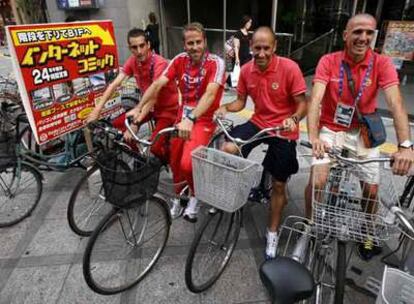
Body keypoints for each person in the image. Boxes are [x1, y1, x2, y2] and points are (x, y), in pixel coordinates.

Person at [304, 13, 414, 261]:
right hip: (331, 130)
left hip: (363, 132)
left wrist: (405, 146)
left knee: (372, 190)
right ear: (345, 35)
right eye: (357, 32)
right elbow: (315, 100)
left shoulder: (382, 63)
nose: (363, 37)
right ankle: (310, 225)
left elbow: (396, 102)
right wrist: (314, 138)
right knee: (318, 181)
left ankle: (366, 231)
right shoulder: (328, 61)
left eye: (369, 33)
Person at [216, 26, 308, 260]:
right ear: (251, 48)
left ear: (274, 47)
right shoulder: (247, 70)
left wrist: (294, 119)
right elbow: (239, 102)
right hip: (259, 122)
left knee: (278, 186)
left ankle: (272, 232)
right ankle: (233, 193)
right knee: (228, 147)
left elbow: (302, 105)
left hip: (283, 129)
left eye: (267, 48)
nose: (262, 53)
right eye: (257, 48)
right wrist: (224, 108)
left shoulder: (289, 68)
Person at [128, 22, 226, 222]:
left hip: (203, 118)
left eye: (199, 42)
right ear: (184, 45)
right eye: (190, 43)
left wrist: (191, 119)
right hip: (182, 118)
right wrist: (139, 108)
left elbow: (210, 95)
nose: (195, 47)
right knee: (174, 160)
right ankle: (179, 197)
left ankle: (195, 196)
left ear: (205, 42)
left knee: (188, 164)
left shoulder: (216, 63)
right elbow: (157, 84)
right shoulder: (179, 60)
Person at [86, 28, 178, 163]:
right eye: (134, 47)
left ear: (148, 45)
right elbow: (114, 84)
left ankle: (167, 161)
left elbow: (153, 97)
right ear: (130, 48)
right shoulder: (132, 61)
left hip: (167, 110)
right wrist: (96, 110)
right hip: (148, 107)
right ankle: (139, 158)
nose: (139, 51)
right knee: (116, 127)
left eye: (142, 46)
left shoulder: (159, 63)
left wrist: (136, 122)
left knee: (155, 148)